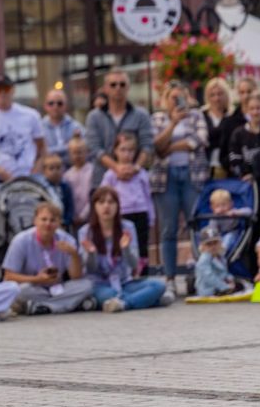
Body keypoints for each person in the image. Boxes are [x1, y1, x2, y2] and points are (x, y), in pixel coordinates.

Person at [150, 82, 209, 298]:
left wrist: (170, 147)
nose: (177, 101)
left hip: (192, 175)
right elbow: (155, 145)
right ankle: (170, 278)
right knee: (169, 229)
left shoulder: (195, 116)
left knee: (195, 225)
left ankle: (202, 273)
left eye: (180, 97)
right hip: (166, 179)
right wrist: (172, 124)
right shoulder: (157, 118)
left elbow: (199, 140)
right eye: (172, 98)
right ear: (165, 100)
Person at [78, 187, 168, 313]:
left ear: (117, 206)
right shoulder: (85, 232)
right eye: (101, 202)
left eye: (111, 202)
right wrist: (92, 254)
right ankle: (150, 300)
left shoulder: (128, 227)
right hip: (100, 285)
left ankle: (124, 304)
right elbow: (90, 270)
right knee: (110, 294)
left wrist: (125, 249)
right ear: (94, 206)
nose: (106, 206)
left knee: (159, 285)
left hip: (125, 282)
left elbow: (134, 265)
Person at [2, 202, 94, 316]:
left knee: (87, 285)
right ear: (35, 220)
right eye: (43, 219)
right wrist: (37, 279)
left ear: (59, 223)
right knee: (17, 290)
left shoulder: (66, 240)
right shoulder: (21, 241)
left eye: (52, 220)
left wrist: (74, 254)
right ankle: (69, 304)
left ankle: (43, 307)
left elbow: (76, 277)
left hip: (59, 289)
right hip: (34, 287)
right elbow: (8, 276)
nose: (48, 224)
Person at [0, 73, 45, 187]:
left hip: (31, 178)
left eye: (6, 88)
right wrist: (2, 173)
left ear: (13, 90)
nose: (2, 93)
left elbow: (42, 148)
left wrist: (34, 172)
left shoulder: (31, 115)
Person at [85, 70, 154, 189]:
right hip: (103, 183)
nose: (118, 88)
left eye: (122, 84)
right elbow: (95, 149)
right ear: (105, 88)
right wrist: (116, 168)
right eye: (113, 85)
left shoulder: (141, 115)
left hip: (135, 183)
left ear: (128, 87)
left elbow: (147, 145)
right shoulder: (94, 117)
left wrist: (135, 168)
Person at [101, 132, 153, 262]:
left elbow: (148, 196)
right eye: (123, 150)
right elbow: (104, 195)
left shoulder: (141, 174)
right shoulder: (110, 175)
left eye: (130, 150)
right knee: (122, 245)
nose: (127, 154)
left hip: (140, 213)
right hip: (122, 214)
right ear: (115, 151)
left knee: (142, 247)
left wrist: (151, 217)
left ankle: (142, 274)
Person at [228, 93, 260, 181]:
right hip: (247, 182)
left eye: (259, 108)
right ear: (247, 110)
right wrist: (245, 174)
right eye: (252, 108)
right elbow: (234, 159)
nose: (255, 112)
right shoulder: (238, 133)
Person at [217, 78, 256, 172]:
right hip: (239, 177)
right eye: (242, 92)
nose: (246, 96)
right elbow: (224, 154)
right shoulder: (229, 122)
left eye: (249, 91)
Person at [194, 227, 242, 297]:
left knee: (240, 284)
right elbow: (209, 277)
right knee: (235, 289)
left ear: (220, 243)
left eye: (215, 243)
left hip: (220, 285)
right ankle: (226, 290)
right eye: (209, 244)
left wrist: (230, 279)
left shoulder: (220, 257)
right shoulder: (204, 259)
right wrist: (225, 287)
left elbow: (224, 273)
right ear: (203, 246)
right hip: (208, 289)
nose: (213, 246)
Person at [40, 89, 83, 167]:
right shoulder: (39, 128)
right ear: (45, 106)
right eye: (51, 103)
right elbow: (40, 153)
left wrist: (51, 151)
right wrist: (68, 148)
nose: (55, 107)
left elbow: (84, 149)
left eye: (59, 103)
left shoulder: (75, 126)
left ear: (65, 106)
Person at [202, 77, 233, 179]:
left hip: (227, 167)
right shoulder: (201, 115)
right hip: (204, 166)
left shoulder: (232, 116)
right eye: (212, 95)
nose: (216, 98)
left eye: (220, 94)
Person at [36, 153, 74, 230]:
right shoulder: (41, 189)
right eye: (51, 168)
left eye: (58, 168)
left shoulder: (65, 187)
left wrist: (65, 222)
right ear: (44, 171)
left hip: (64, 225)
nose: (55, 171)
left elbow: (70, 207)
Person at [63, 136, 94, 226]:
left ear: (87, 152)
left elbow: (93, 195)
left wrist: (83, 215)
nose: (77, 156)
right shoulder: (67, 175)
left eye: (80, 152)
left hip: (90, 216)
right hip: (74, 219)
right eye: (74, 153)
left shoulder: (92, 171)